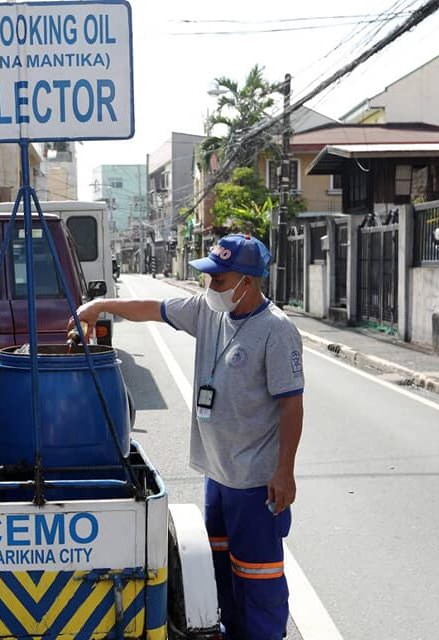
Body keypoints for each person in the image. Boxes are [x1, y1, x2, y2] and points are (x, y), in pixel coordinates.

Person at [72, 233, 304, 640]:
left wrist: (284, 472)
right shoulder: (208, 312)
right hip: (217, 476)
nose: (209, 286)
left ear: (247, 282)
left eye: (219, 279)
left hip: (255, 484)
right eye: (209, 278)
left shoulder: (276, 331)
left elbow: (291, 405)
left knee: (259, 579)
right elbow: (153, 309)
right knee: (222, 572)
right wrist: (100, 306)